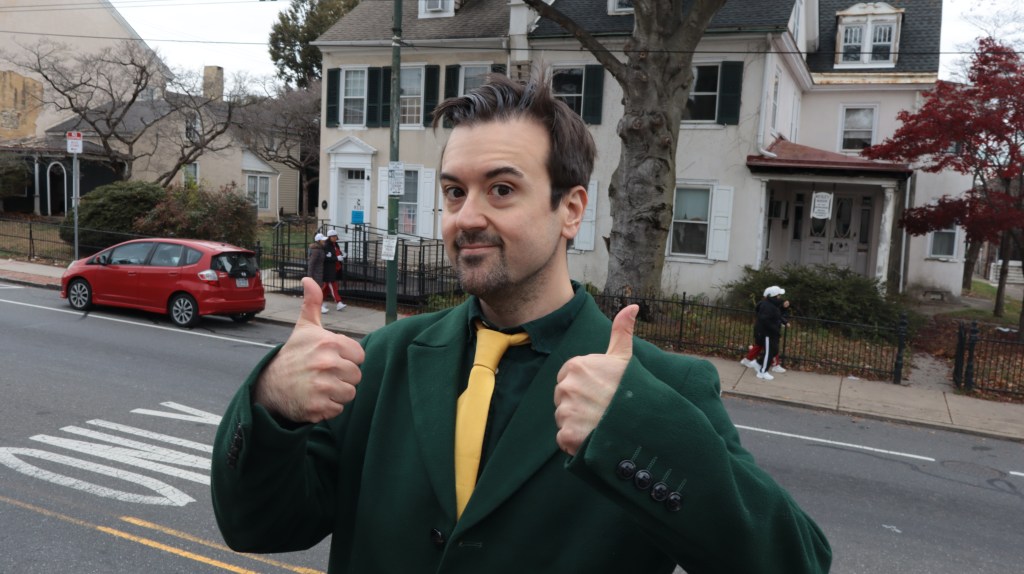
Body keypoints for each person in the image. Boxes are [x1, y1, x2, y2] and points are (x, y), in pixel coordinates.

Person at [211, 72, 831, 573]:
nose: (466, 217)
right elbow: (256, 526)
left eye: (501, 189)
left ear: (571, 209)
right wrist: (270, 403)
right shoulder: (384, 360)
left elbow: (794, 561)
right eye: (454, 192)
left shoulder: (661, 387)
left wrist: (635, 428)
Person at [741, 286, 790, 380]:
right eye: (778, 295)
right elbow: (765, 320)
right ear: (774, 296)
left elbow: (776, 317)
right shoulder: (767, 306)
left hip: (771, 332)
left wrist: (779, 324)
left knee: (774, 350)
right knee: (769, 352)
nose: (780, 297)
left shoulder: (772, 305)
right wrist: (775, 328)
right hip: (767, 333)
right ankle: (762, 372)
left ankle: (758, 363)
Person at [323, 229, 346, 311]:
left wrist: (342, 255)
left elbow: (337, 253)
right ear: (329, 237)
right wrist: (336, 258)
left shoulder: (335, 244)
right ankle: (338, 302)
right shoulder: (326, 246)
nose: (334, 238)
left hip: (336, 268)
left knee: (327, 287)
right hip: (329, 269)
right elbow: (326, 258)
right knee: (333, 286)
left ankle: (319, 301)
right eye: (333, 236)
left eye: (335, 236)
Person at [305, 233, 328, 314]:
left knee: (317, 291)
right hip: (316, 274)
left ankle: (313, 305)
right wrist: (310, 276)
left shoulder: (320, 249)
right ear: (318, 241)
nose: (324, 241)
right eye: (323, 240)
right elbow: (311, 263)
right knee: (317, 291)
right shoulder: (316, 250)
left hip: (319, 273)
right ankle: (318, 306)